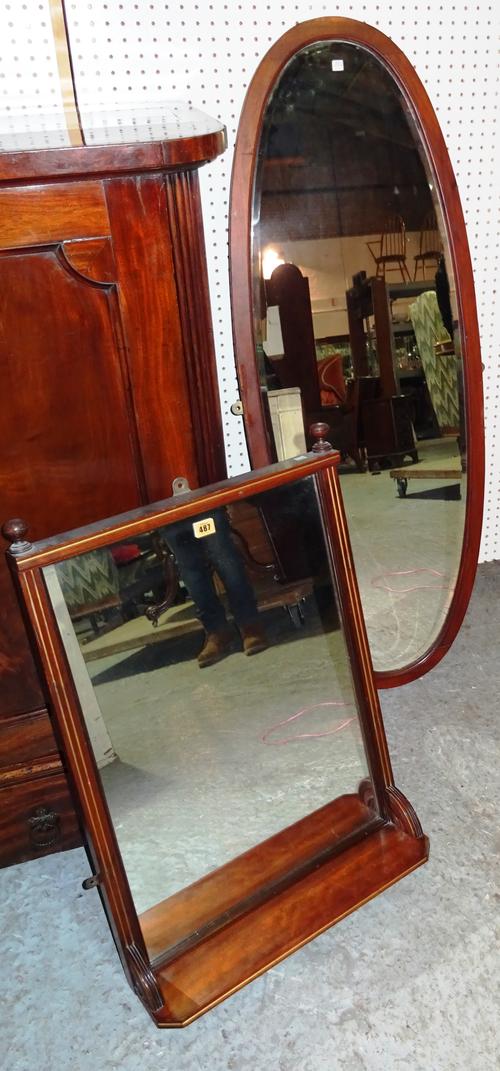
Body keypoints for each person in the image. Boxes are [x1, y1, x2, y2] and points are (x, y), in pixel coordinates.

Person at [165, 507, 268, 667]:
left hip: (201, 500)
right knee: (191, 571)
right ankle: (216, 631)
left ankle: (249, 623)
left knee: (224, 559)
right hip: (165, 510)